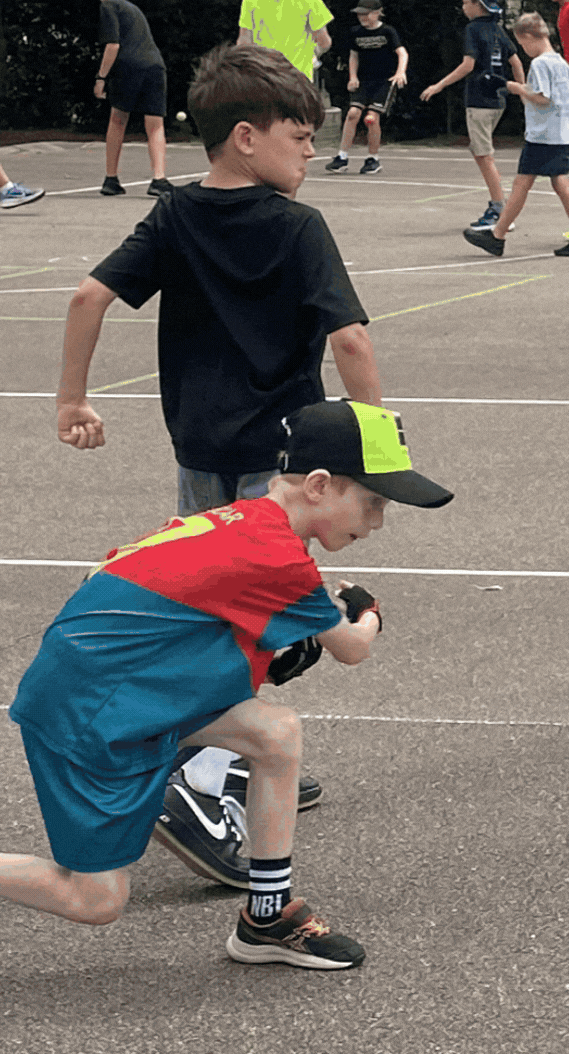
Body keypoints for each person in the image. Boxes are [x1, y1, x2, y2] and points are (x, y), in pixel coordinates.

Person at [55, 42, 383, 887]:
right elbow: (349, 337)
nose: (312, 150)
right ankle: (204, 780)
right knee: (280, 624)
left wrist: (72, 400)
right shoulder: (297, 226)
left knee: (215, 612)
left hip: (198, 449)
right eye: (300, 136)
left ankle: (237, 755)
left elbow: (88, 295)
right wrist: (373, 443)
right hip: (279, 466)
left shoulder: (175, 214)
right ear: (246, 136)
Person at [3, 397, 452, 970]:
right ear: (318, 485)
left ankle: (266, 918)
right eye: (373, 501)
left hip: (116, 692)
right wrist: (368, 612)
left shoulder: (238, 520)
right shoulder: (279, 557)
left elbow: (118, 580)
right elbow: (353, 649)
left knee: (274, 733)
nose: (378, 521)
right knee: (95, 899)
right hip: (92, 717)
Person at [463, 13, 569, 258]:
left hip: (544, 134)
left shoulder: (541, 63)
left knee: (532, 182)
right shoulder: (561, 62)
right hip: (560, 131)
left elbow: (542, 97)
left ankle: (499, 236)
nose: (523, 49)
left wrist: (512, 86)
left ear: (530, 37)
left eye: (522, 44)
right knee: (547, 182)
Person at [420, 0, 525, 233]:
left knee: (483, 155)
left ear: (478, 5)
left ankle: (500, 210)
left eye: (466, 2)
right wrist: (521, 92)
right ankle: (500, 208)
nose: (463, 7)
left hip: (479, 100)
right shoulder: (498, 29)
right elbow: (516, 62)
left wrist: (439, 85)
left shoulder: (473, 29)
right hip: (498, 100)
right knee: (483, 153)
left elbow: (468, 65)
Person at [90, 0, 172, 198]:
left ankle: (111, 178)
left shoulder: (108, 6)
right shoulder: (132, 8)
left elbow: (113, 44)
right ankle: (159, 178)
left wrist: (101, 78)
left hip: (128, 66)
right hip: (154, 64)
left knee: (118, 119)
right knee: (155, 123)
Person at [326, 0, 408, 175]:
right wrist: (352, 77)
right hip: (364, 81)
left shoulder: (387, 32)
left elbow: (402, 53)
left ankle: (373, 159)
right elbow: (353, 56)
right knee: (353, 113)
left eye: (367, 14)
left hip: (384, 81)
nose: (362, 18)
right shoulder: (356, 32)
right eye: (360, 14)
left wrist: (400, 72)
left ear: (378, 13)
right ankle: (342, 157)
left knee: (371, 118)